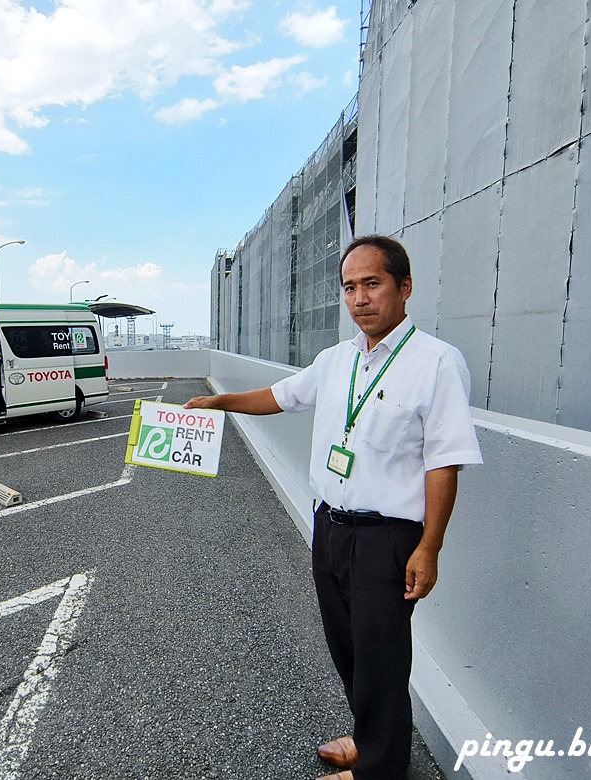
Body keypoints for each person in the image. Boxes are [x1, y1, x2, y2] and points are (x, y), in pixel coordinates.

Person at [185, 235, 482, 780]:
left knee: (381, 660)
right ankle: (370, 740)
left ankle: (380, 770)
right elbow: (280, 396)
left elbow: (446, 461)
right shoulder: (336, 359)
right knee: (347, 649)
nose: (360, 298)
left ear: (404, 287)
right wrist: (219, 401)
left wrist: (429, 548)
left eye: (373, 284)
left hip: (387, 538)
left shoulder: (437, 363)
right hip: (331, 529)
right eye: (350, 287)